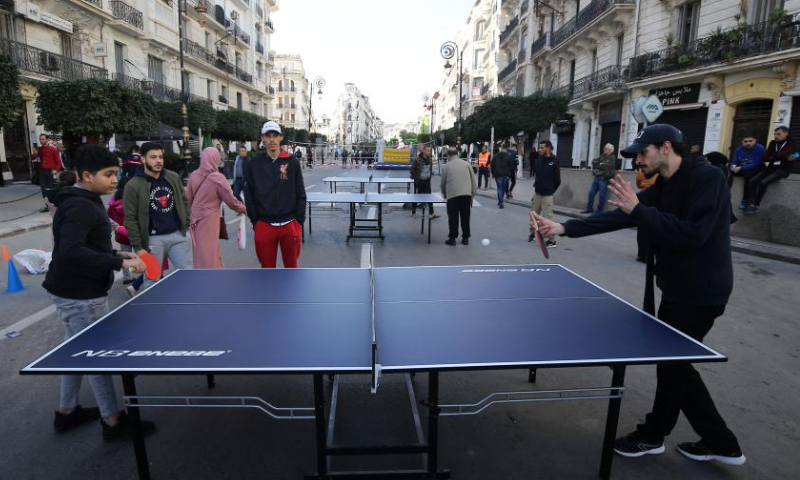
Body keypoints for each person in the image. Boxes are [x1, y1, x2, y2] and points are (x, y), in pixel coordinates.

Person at [531, 124, 745, 467]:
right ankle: (710, 440)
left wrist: (639, 210)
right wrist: (564, 228)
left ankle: (668, 435)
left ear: (665, 148)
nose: (637, 162)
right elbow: (620, 216)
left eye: (642, 154)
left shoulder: (708, 179)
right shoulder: (666, 184)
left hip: (702, 291)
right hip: (677, 288)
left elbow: (694, 236)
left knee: (674, 366)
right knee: (674, 365)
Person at [42, 144, 155, 441]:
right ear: (87, 176)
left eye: (116, 173)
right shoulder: (81, 206)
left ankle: (67, 412)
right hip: (82, 295)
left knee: (75, 353)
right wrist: (118, 261)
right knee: (96, 358)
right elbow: (70, 251)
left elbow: (90, 246)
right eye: (109, 174)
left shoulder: (82, 200)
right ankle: (113, 420)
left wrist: (121, 254)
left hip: (70, 290)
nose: (115, 179)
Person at [123, 142, 192, 288]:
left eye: (160, 157)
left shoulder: (172, 177)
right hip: (152, 241)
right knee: (152, 280)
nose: (158, 160)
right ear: (143, 159)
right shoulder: (133, 185)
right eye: (153, 157)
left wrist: (185, 223)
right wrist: (139, 247)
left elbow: (184, 200)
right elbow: (130, 219)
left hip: (178, 235)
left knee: (189, 275)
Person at [243, 121, 306, 268]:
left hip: (290, 225)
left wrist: (298, 220)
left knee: (291, 269)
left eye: (275, 135)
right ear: (262, 138)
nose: (271, 139)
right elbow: (249, 194)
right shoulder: (253, 164)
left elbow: (300, 192)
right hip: (264, 225)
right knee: (267, 270)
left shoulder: (292, 162)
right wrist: (255, 222)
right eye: (268, 136)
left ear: (280, 138)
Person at [187, 147, 247, 269]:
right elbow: (232, 202)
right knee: (210, 251)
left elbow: (188, 200)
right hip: (209, 220)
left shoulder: (193, 176)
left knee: (200, 252)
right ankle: (212, 280)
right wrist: (245, 209)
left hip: (194, 220)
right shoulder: (218, 178)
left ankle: (202, 277)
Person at [743, 126, 797, 214]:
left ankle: (756, 205)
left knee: (763, 182)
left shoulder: (791, 142)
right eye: (775, 134)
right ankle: (750, 203)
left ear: (786, 134)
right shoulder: (773, 143)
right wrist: (780, 156)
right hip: (770, 168)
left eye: (778, 134)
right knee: (752, 181)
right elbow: (765, 157)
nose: (776, 136)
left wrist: (774, 156)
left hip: (783, 169)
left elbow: (793, 155)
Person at [441, 147, 477, 246]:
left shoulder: (447, 166)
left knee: (453, 218)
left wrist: (444, 193)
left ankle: (452, 238)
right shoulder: (467, 164)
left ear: (448, 155)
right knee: (465, 217)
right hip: (466, 195)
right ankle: (465, 238)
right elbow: (473, 180)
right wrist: (472, 195)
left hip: (452, 195)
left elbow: (443, 182)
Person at [528, 140, 560, 247]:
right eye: (539, 147)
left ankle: (551, 240)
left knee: (547, 218)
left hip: (547, 196)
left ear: (548, 148)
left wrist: (550, 190)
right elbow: (538, 177)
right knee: (533, 216)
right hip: (537, 194)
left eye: (542, 148)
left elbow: (557, 181)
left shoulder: (554, 161)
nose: (540, 150)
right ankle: (533, 234)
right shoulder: (537, 160)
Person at [729, 136, 765, 208]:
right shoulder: (738, 149)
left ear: (755, 141)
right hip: (743, 168)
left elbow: (756, 163)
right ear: (742, 142)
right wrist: (733, 167)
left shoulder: (760, 148)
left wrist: (741, 168)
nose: (748, 143)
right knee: (725, 171)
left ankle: (745, 200)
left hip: (757, 168)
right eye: (745, 141)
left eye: (750, 141)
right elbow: (734, 162)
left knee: (748, 176)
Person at [582, 143, 617, 214]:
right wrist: (600, 164)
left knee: (602, 195)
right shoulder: (602, 156)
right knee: (591, 193)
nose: (604, 149)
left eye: (606, 149)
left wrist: (599, 164)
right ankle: (589, 209)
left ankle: (599, 211)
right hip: (597, 177)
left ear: (610, 150)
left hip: (604, 178)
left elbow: (606, 166)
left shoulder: (612, 157)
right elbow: (594, 162)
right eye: (604, 148)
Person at [635, 165, 657, 263]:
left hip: (645, 196)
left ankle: (643, 254)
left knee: (643, 226)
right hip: (658, 197)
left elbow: (639, 183)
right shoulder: (663, 169)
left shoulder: (643, 168)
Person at [410, 144, 440, 218]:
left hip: (427, 181)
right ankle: (413, 212)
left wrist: (430, 174)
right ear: (423, 151)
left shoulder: (430, 159)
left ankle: (431, 213)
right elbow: (411, 170)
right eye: (428, 150)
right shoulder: (417, 159)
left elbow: (430, 169)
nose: (429, 152)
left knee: (429, 197)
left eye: (430, 151)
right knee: (416, 197)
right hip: (419, 182)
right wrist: (416, 177)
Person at [36, 134, 63, 212]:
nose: (41, 141)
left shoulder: (53, 149)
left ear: (47, 139)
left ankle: (55, 205)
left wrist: (55, 171)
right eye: (40, 139)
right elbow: (37, 159)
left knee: (51, 190)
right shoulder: (40, 149)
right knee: (43, 190)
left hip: (51, 171)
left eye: (43, 139)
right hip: (42, 172)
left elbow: (59, 163)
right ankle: (48, 206)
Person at [490, 142, 515, 209]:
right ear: (506, 149)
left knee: (499, 188)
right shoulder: (509, 156)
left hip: (498, 174)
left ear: (501, 148)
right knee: (503, 188)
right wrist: (509, 174)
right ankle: (501, 201)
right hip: (506, 175)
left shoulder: (495, 156)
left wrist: (493, 173)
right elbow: (511, 166)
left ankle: (500, 202)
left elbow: (492, 165)